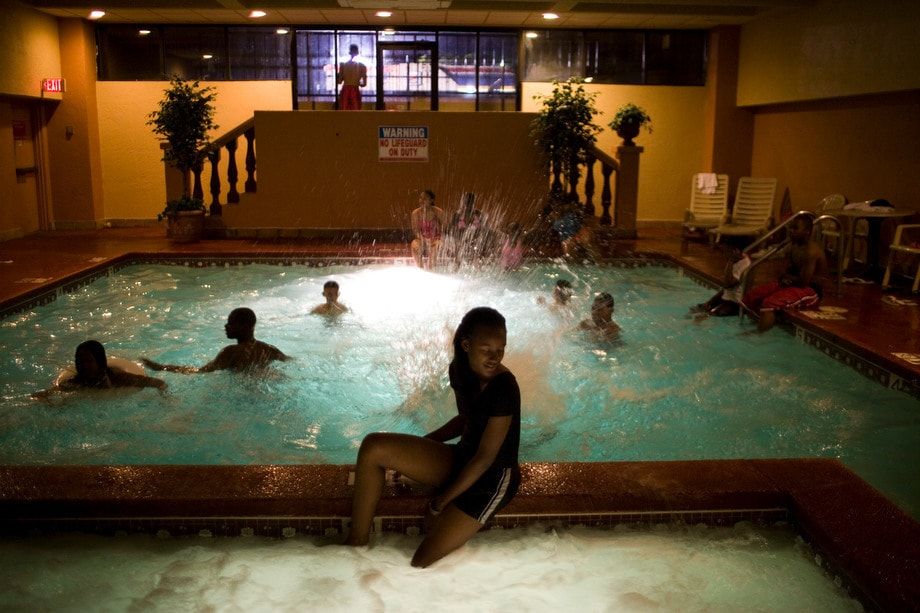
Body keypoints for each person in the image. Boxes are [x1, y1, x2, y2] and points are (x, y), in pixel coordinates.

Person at [345, 307, 520, 568]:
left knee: (421, 564)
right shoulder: (459, 371)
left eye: (501, 349)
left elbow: (484, 459)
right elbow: (465, 421)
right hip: (462, 459)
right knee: (374, 446)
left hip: (491, 479)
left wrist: (439, 503)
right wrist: (423, 446)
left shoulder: (504, 387)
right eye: (486, 349)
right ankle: (354, 547)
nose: (495, 357)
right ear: (466, 345)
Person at [742, 215, 827, 332]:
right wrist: (784, 277)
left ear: (807, 232)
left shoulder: (811, 251)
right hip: (793, 283)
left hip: (810, 290)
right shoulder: (794, 245)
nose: (791, 232)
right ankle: (767, 324)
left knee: (769, 303)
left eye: (795, 229)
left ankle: (758, 336)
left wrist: (787, 278)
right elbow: (786, 270)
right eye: (790, 228)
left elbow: (804, 282)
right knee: (752, 296)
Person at [141, 307, 289, 373]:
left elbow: (199, 372)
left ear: (244, 326)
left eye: (231, 323)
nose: (226, 326)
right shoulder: (269, 349)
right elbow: (292, 363)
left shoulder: (230, 352)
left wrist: (161, 367)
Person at [34, 340, 166, 397]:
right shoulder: (77, 381)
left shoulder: (118, 378)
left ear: (100, 362)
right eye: (79, 361)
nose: (83, 365)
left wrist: (165, 400)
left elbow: (159, 383)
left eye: (88, 361)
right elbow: (52, 392)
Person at [693, 250, 752, 318]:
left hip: (736, 302)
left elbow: (728, 284)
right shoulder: (737, 260)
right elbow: (727, 288)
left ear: (734, 249)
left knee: (704, 316)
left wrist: (730, 261)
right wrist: (710, 302)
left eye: (725, 248)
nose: (723, 251)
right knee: (698, 309)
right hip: (729, 297)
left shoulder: (744, 264)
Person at [410, 190, 446, 270]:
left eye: (425, 198)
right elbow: (415, 230)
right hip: (422, 239)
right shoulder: (415, 213)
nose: (421, 200)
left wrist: (435, 238)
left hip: (436, 239)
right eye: (420, 198)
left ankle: (431, 269)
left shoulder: (438, 212)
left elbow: (445, 228)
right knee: (414, 244)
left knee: (436, 246)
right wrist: (423, 239)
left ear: (431, 200)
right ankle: (421, 269)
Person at [336, 44, 367, 111]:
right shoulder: (362, 66)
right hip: (355, 89)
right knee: (356, 111)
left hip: (345, 89)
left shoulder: (343, 65)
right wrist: (358, 82)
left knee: (344, 111)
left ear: (349, 52)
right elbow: (364, 84)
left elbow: (339, 81)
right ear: (357, 52)